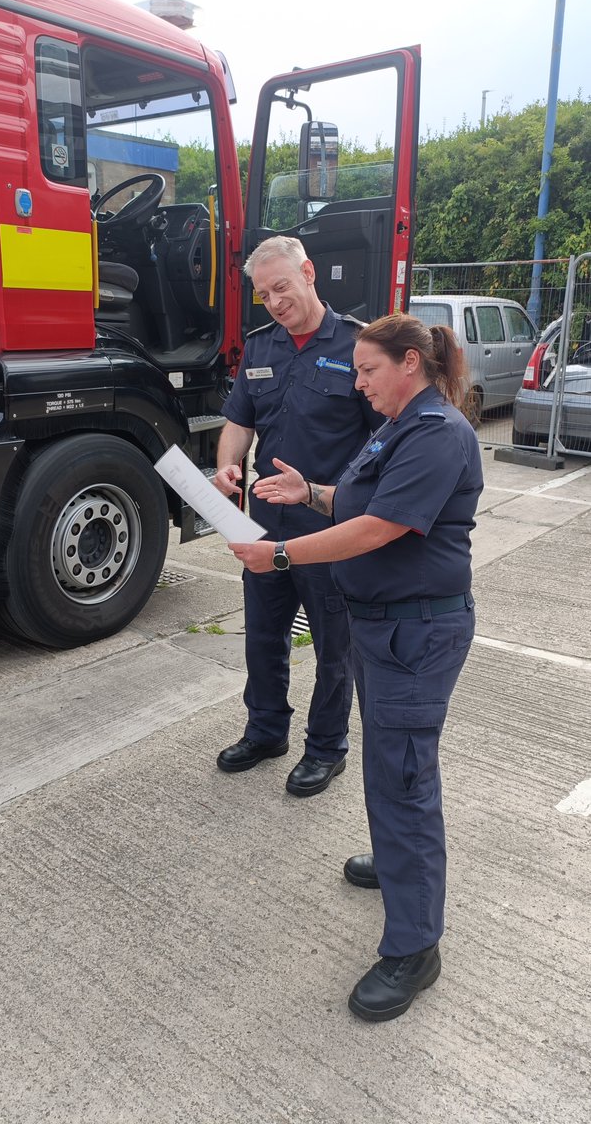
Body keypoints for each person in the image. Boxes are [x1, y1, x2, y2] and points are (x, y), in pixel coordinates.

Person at [229, 313, 483, 1022]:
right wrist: (305, 493)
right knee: (388, 766)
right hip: (385, 629)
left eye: (368, 370)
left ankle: (414, 945)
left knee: (404, 777)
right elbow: (358, 500)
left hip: (416, 633)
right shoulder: (396, 426)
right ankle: (399, 868)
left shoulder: (436, 432)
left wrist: (279, 554)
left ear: (410, 363)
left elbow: (380, 528)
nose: (359, 381)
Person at [213, 236, 383, 797]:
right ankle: (265, 731)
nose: (275, 302)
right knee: (262, 636)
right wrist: (226, 466)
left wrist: (345, 501)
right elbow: (239, 419)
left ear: (309, 272)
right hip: (264, 524)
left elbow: (383, 440)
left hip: (328, 527)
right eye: (263, 295)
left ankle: (326, 748)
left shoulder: (358, 345)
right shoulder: (262, 348)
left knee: (335, 645)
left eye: (281, 287)